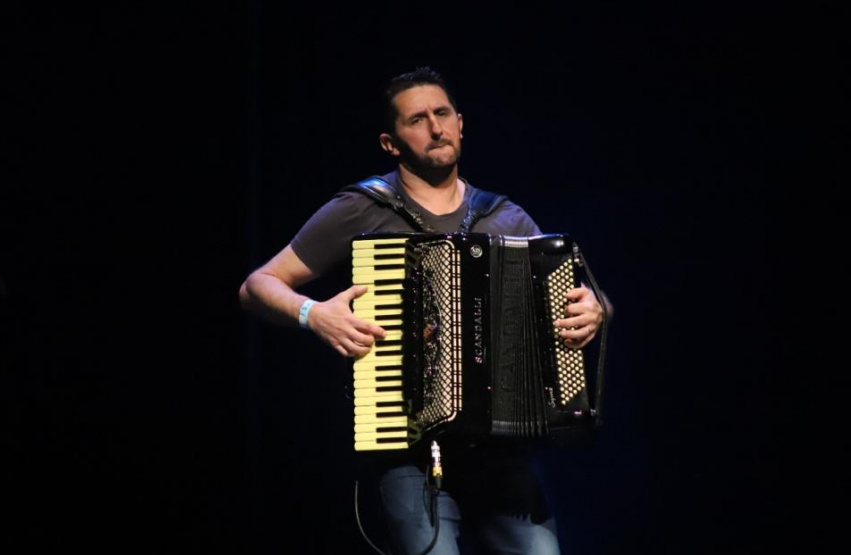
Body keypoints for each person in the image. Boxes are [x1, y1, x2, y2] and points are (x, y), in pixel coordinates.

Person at [239, 67, 605, 555]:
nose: (435, 128)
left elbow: (582, 297)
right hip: (406, 450)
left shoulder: (505, 217)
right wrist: (314, 314)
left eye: (443, 114)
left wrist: (594, 309)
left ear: (460, 124)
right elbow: (257, 285)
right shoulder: (362, 208)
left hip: (499, 452)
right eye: (417, 119)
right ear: (390, 143)